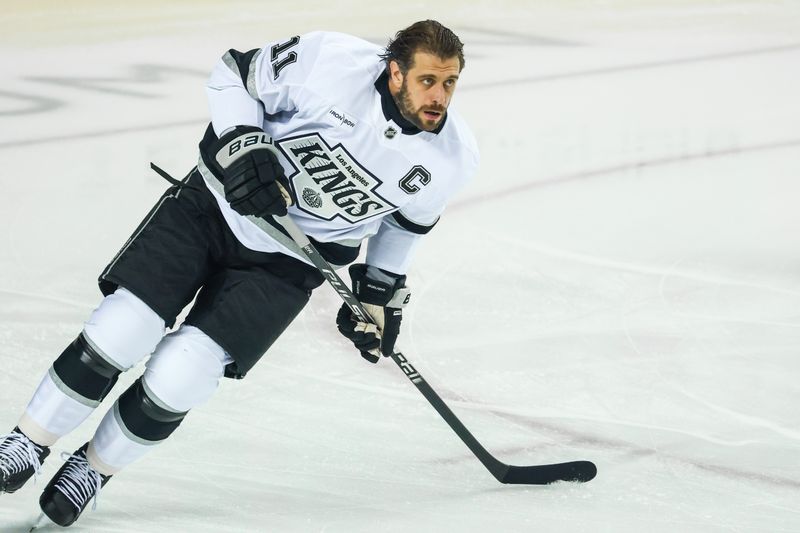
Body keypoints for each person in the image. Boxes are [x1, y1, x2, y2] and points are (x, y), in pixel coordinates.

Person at [0, 19, 479, 527]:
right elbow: (234, 74)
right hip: (212, 209)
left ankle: (92, 470)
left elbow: (404, 225)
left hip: (287, 265)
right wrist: (245, 144)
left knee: (183, 377)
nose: (439, 97)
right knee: (121, 330)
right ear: (395, 73)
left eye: (449, 83)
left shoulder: (453, 157)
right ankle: (28, 440)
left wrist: (380, 291)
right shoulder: (330, 62)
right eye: (428, 80)